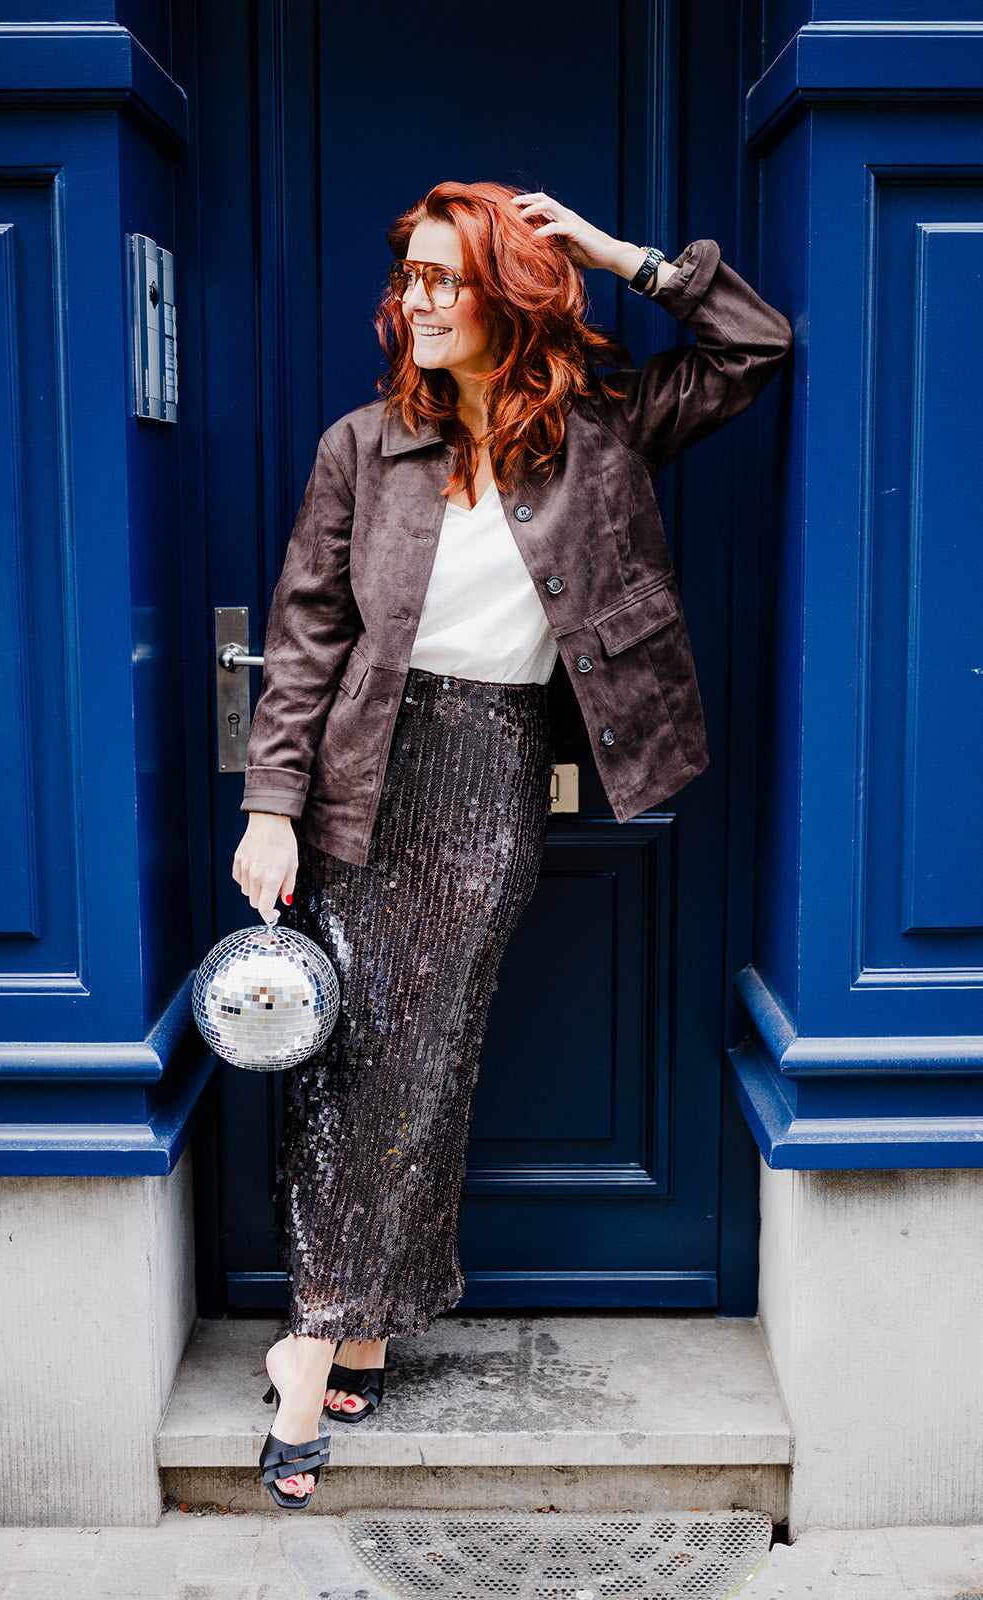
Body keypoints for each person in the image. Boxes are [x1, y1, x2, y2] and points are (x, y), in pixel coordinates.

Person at [232, 180, 792, 1506]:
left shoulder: (601, 431)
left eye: (444, 277)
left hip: (489, 780)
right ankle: (325, 1332)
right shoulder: (361, 447)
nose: (414, 300)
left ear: (508, 294)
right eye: (408, 278)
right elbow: (307, 638)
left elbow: (754, 347)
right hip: (362, 780)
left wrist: (617, 254)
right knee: (352, 1067)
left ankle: (349, 1322)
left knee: (426, 1061)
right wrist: (270, 803)